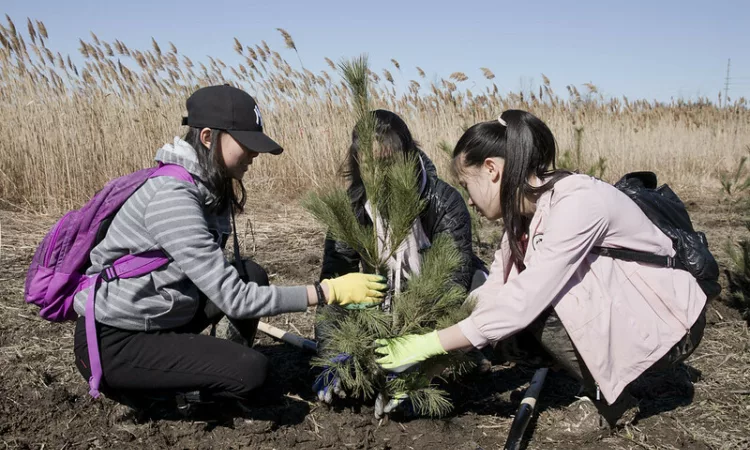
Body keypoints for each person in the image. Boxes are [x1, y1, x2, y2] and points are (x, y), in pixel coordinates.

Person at [373, 110, 707, 428]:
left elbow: (523, 300)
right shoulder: (522, 215)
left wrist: (429, 341)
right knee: (504, 324)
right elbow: (494, 292)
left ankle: (612, 401)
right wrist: (434, 362)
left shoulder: (577, 202)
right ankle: (603, 374)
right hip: (627, 310)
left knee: (535, 310)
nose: (469, 200)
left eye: (466, 185)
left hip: (671, 321)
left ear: (491, 169)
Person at [72, 84, 386, 412]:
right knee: (251, 372)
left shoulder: (206, 186)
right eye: (246, 145)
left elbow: (232, 283)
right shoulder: (172, 198)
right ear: (208, 137)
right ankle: (157, 397)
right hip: (115, 342)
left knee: (250, 273)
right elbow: (234, 298)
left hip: (159, 314)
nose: (254, 154)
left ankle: (210, 365)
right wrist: (325, 292)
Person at [314, 109, 487, 413]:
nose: (379, 177)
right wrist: (333, 358)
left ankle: (457, 362)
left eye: (388, 164)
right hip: (379, 305)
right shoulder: (352, 207)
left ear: (408, 156)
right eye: (369, 167)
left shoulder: (443, 202)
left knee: (477, 287)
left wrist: (418, 361)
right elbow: (333, 285)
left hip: (427, 310)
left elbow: (452, 284)